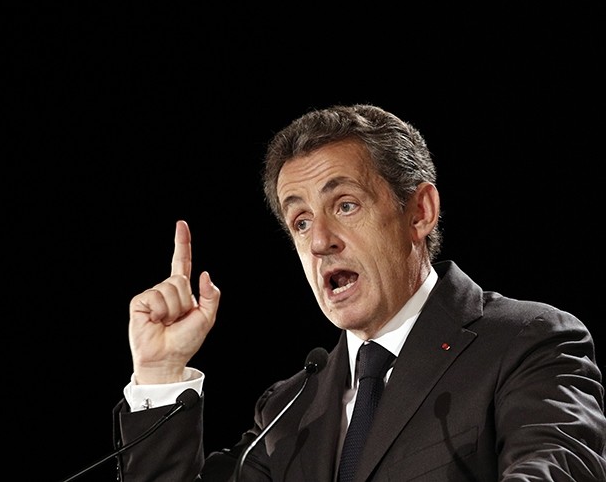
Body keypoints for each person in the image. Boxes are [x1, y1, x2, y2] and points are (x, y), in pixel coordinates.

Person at [112, 103, 606, 481]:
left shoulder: (527, 343)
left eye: (345, 205)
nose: (320, 241)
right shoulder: (288, 410)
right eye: (300, 221)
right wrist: (161, 374)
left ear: (419, 212)